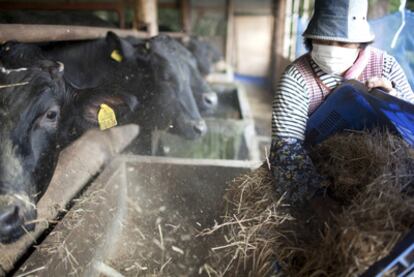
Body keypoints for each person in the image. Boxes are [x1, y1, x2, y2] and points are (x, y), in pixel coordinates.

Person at [270, 0, 414, 205]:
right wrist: (317, 203)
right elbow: (286, 147)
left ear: (360, 42)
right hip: (319, 172)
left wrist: (393, 97)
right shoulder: (297, 78)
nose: (333, 49)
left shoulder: (385, 66)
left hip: (385, 177)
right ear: (312, 38)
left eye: (343, 42)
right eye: (325, 40)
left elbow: (410, 120)